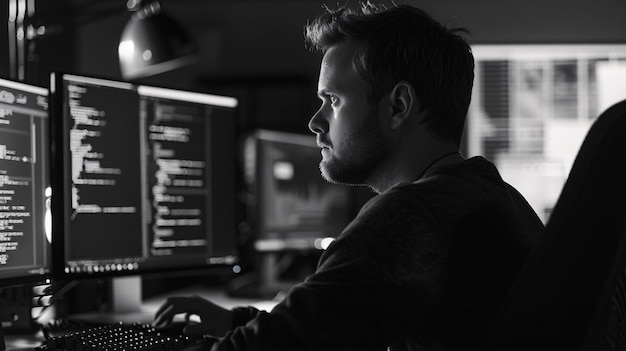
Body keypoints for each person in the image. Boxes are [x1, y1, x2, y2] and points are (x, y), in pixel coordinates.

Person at [152, 3, 544, 350]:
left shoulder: (410, 217)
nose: (315, 122)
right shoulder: (494, 196)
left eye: (333, 100)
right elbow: (326, 325)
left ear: (398, 107)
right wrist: (238, 323)